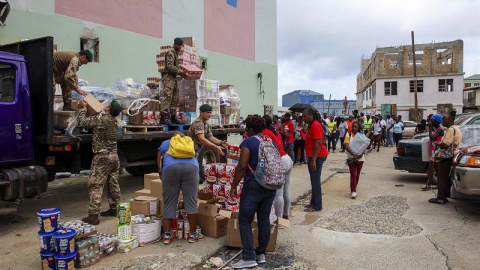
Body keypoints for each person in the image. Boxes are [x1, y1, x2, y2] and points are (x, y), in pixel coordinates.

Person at [230, 115, 275, 269]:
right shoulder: (270, 141)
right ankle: (261, 254)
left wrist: (233, 186)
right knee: (263, 220)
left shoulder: (248, 142)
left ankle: (248, 257)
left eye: (246, 128)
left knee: (245, 220)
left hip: (253, 185)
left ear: (249, 129)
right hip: (270, 186)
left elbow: (242, 166)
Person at [77, 99, 122, 225]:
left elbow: (82, 122)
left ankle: (93, 215)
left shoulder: (101, 119)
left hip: (102, 157)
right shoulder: (115, 122)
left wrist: (82, 108)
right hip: (114, 156)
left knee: (95, 184)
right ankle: (114, 208)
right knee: (113, 183)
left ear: (108, 109)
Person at [157, 133, 200, 244]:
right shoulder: (189, 142)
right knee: (191, 202)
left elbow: (159, 161)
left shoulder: (166, 143)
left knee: (169, 202)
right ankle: (193, 234)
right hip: (191, 169)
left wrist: (161, 174)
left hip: (170, 169)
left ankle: (167, 236)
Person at [263, 115, 294, 219]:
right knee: (286, 190)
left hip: (280, 161)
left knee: (278, 193)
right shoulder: (275, 131)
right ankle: (286, 215)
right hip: (287, 158)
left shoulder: (266, 133)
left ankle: (278, 220)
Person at [429, 111, 461, 204]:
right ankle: (444, 196)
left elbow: (446, 144)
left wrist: (438, 144)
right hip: (452, 155)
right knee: (445, 177)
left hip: (446, 156)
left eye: (444, 119)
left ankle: (441, 198)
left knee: (442, 177)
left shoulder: (451, 129)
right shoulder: (456, 128)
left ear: (450, 120)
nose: (442, 121)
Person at [302, 107, 328, 212]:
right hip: (313, 155)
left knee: (315, 181)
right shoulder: (312, 125)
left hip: (317, 156)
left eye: (305, 116)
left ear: (311, 116)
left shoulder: (316, 125)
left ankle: (317, 206)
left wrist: (313, 160)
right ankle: (313, 203)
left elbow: (318, 142)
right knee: (314, 180)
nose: (304, 119)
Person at [160, 37, 188, 124]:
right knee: (168, 96)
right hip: (168, 77)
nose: (180, 47)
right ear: (174, 44)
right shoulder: (170, 52)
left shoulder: (176, 54)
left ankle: (173, 116)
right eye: (178, 45)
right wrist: (180, 72)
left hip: (173, 78)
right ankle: (163, 117)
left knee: (175, 97)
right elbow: (169, 66)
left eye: (181, 46)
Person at [421, 114, 444, 191]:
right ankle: (439, 185)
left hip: (437, 151)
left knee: (431, 168)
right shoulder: (436, 129)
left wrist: (430, 127)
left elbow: (431, 138)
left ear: (436, 121)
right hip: (434, 151)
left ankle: (428, 185)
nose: (431, 121)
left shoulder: (440, 130)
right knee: (436, 170)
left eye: (432, 120)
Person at [344, 122, 366, 198]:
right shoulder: (348, 135)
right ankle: (353, 190)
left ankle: (354, 188)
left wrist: (360, 155)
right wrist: (354, 155)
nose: (354, 128)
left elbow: (365, 146)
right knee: (354, 174)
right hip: (351, 158)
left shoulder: (362, 136)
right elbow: (346, 145)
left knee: (357, 175)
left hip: (361, 158)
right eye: (353, 127)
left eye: (356, 127)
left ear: (359, 128)